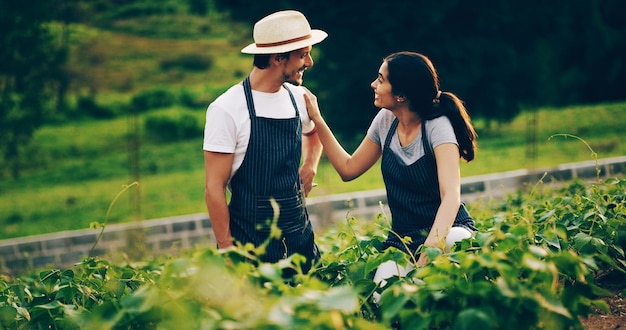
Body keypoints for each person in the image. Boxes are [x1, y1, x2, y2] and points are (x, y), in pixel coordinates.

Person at [303, 51, 478, 292]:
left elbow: (451, 197)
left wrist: (431, 249)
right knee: (382, 297)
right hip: (403, 241)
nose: (373, 84)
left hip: (447, 232)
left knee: (455, 244)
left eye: (381, 79)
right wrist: (318, 119)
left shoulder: (437, 127)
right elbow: (348, 169)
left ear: (402, 95)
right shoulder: (385, 121)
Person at [203, 10, 327, 274]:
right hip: (251, 247)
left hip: (300, 240)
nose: (310, 62)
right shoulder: (227, 108)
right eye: (303, 54)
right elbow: (214, 188)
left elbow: (314, 133)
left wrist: (310, 165)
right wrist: (227, 249)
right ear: (277, 57)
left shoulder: (299, 97)